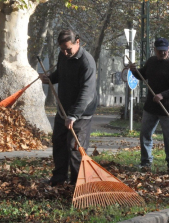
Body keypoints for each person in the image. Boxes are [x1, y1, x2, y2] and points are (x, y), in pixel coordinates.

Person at [39, 30, 98, 186]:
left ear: (77, 42)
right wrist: (50, 78)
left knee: (74, 147)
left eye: (68, 49)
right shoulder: (63, 55)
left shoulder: (87, 62)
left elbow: (87, 92)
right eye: (62, 49)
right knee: (58, 144)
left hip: (81, 113)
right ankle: (58, 179)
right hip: (63, 109)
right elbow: (61, 73)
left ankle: (78, 183)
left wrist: (73, 115)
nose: (65, 53)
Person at [129, 37, 169, 174]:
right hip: (151, 107)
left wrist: (163, 95)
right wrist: (134, 71)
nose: (162, 53)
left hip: (168, 108)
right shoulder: (151, 61)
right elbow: (142, 75)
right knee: (145, 135)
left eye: (164, 51)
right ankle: (146, 163)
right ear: (154, 50)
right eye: (159, 51)